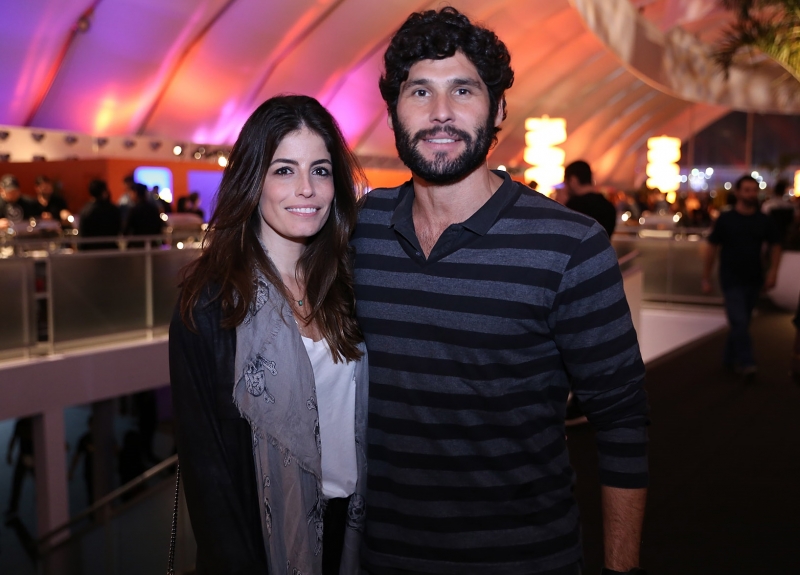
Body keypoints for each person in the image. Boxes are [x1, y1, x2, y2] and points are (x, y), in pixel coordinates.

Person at [351, 8, 648, 575]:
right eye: (420, 91)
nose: (440, 113)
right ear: (393, 111)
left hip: (525, 560)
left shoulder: (571, 245)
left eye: (463, 90)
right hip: (385, 560)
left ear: (499, 110)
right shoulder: (361, 229)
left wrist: (621, 567)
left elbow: (622, 422)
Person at [169, 95, 367, 575]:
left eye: (320, 170)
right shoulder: (211, 305)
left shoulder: (351, 284)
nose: (306, 189)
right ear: (253, 180)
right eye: (284, 170)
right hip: (262, 543)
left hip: (358, 535)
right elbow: (208, 472)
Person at [702, 174, 782, 377]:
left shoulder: (763, 220)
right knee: (738, 319)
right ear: (737, 193)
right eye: (746, 190)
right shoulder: (726, 219)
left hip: (754, 278)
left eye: (754, 190)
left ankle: (728, 358)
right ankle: (747, 362)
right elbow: (712, 247)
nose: (751, 194)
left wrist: (772, 272)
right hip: (731, 278)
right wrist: (706, 276)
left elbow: (776, 245)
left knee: (742, 321)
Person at [564, 160, 617, 237]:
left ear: (573, 180)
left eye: (565, 182)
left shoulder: (573, 206)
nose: (565, 187)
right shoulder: (608, 206)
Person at [78, 179, 122, 250]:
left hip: (91, 252)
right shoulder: (113, 209)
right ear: (104, 192)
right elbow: (118, 229)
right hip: (111, 250)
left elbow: (82, 234)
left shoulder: (85, 210)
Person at [5, 417, 34, 520]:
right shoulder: (29, 423)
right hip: (29, 456)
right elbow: (14, 438)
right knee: (17, 482)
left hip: (27, 457)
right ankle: (13, 508)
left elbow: (14, 438)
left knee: (17, 482)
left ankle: (13, 509)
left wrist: (9, 453)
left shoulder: (22, 423)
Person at [123, 182, 163, 247]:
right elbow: (159, 227)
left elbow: (126, 230)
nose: (130, 196)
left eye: (131, 193)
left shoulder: (134, 210)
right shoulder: (154, 209)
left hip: (137, 246)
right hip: (152, 245)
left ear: (135, 193)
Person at [761, 179, 794, 245]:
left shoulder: (768, 205)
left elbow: (762, 219)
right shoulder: (789, 205)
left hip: (770, 236)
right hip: (786, 236)